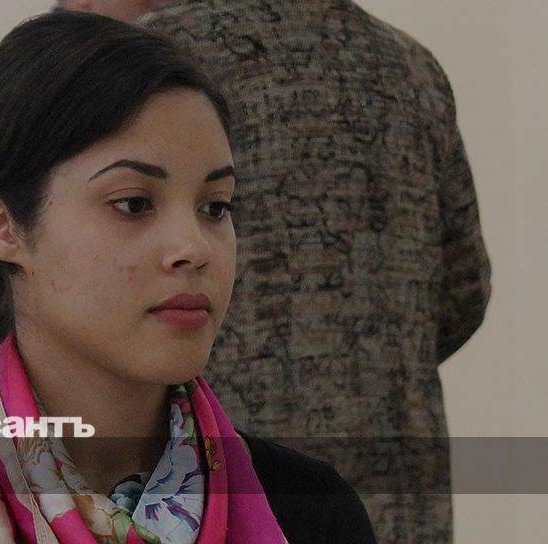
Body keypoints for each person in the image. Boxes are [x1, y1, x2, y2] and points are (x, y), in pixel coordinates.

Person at [0, 12, 376, 544]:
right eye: (133, 203)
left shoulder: (311, 512)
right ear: (4, 228)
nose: (193, 248)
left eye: (215, 207)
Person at [30, 2, 491, 544]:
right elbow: (463, 294)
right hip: (399, 491)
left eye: (216, 208)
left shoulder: (156, 62)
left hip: (210, 493)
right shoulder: (412, 69)